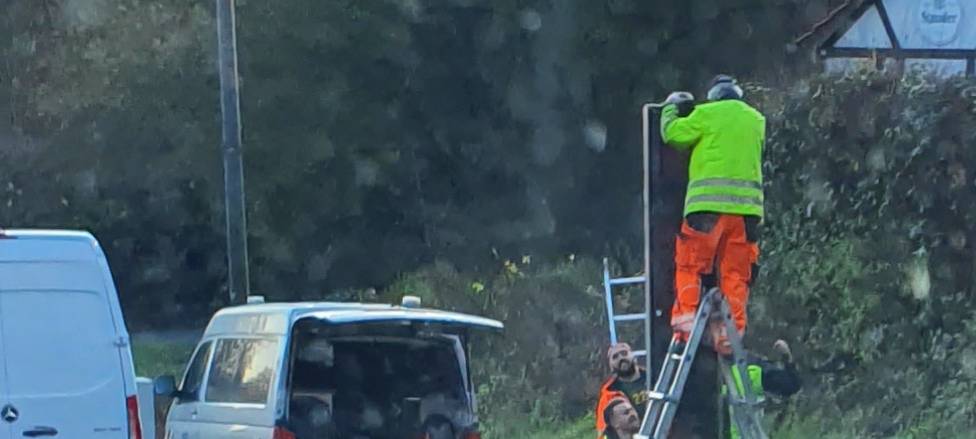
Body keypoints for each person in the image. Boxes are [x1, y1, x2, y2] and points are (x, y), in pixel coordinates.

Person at [660, 75, 766, 354]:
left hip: (706, 210)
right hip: (747, 215)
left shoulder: (706, 113)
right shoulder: (757, 120)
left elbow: (674, 134)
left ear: (714, 96)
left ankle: (686, 325)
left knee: (690, 266)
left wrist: (671, 108)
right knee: (735, 274)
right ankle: (731, 337)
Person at [723, 339, 802, 439]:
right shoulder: (751, 369)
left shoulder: (751, 367)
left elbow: (791, 385)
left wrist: (787, 357)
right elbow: (792, 385)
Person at [595, 343, 650, 434]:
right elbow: (602, 431)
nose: (621, 358)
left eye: (624, 353)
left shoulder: (655, 378)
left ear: (634, 356)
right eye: (615, 357)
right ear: (611, 366)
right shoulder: (608, 395)